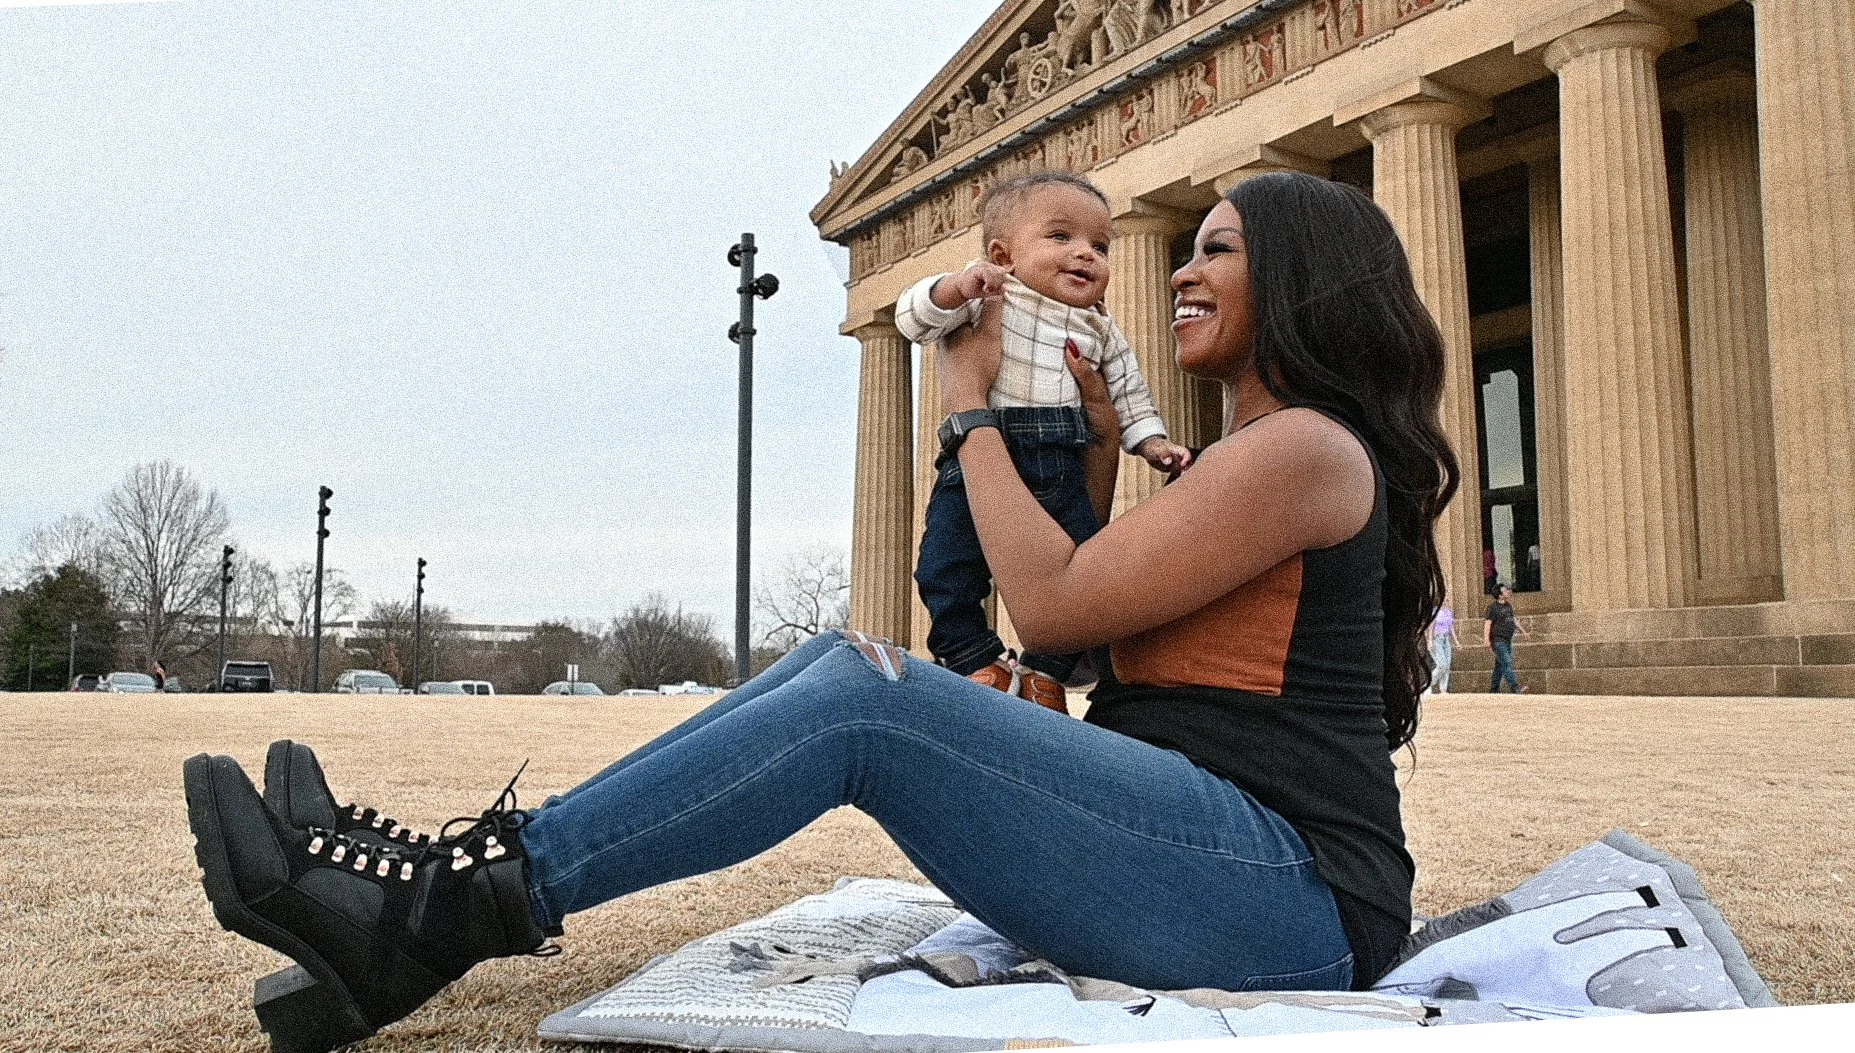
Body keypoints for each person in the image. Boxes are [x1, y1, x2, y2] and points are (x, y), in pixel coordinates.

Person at [180, 172, 1459, 1053]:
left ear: (1298, 276)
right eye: (1186, 250)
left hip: (1287, 897)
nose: (1177, 270)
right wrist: (1068, 451)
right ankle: (444, 896)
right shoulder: (1240, 459)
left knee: (864, 704)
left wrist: (964, 405)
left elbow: (1046, 593)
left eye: (1216, 249)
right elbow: (1066, 636)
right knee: (842, 664)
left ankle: (435, 916)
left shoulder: (1304, 450)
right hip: (1213, 855)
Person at [896, 170, 1192, 708]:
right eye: (1061, 237)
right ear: (1003, 255)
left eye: (1100, 245)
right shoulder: (986, 296)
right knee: (944, 564)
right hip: (976, 461)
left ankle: (1046, 674)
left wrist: (1151, 443)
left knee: (1081, 569)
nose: (1085, 254)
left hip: (1059, 455)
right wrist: (954, 287)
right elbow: (912, 319)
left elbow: (1128, 393)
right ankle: (973, 660)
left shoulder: (1099, 328)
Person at [1483, 583, 1529, 693]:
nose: (1508, 591)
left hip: (1507, 639)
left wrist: (1523, 631)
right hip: (1498, 640)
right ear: (1499, 594)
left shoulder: (1508, 605)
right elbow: (1488, 623)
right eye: (1505, 590)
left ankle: (1494, 689)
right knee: (1507, 662)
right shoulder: (1492, 608)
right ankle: (1515, 688)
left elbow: (1513, 620)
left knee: (1500, 665)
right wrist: (1486, 639)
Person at [1426, 600, 1458, 694]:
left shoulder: (1449, 612)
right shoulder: (1435, 611)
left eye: (1447, 600)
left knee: (1447, 665)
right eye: (1445, 600)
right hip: (1437, 638)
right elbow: (1431, 626)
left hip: (1446, 638)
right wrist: (1430, 640)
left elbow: (1451, 627)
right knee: (1441, 664)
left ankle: (1443, 689)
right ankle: (1429, 683)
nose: (1447, 602)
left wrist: (1456, 642)